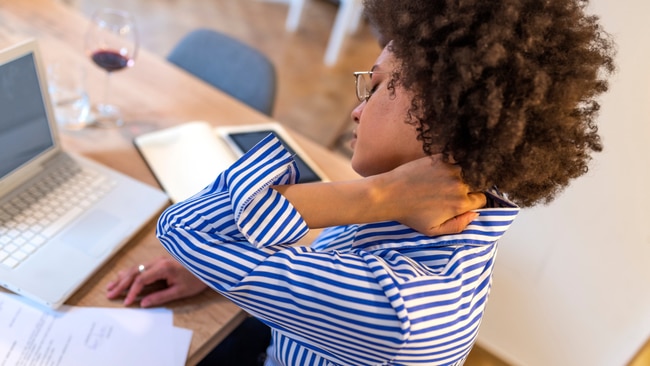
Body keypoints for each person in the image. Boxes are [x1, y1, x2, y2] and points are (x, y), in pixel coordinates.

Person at [107, 0, 615, 365]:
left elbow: (185, 231)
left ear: (442, 115)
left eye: (374, 87)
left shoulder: (405, 308)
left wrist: (376, 194)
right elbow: (314, 258)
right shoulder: (431, 213)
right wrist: (227, 273)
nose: (355, 109)